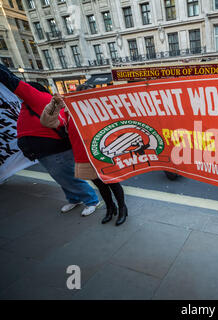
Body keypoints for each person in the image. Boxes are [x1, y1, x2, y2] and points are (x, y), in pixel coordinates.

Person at [0, 64, 99, 215]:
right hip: (45, 150)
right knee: (61, 177)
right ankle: (74, 198)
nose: (20, 95)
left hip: (55, 148)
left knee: (67, 176)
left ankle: (91, 200)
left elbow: (11, 80)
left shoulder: (37, 97)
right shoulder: (34, 102)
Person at [40, 85, 128, 226]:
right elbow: (47, 122)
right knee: (101, 185)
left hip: (103, 154)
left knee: (112, 182)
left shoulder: (103, 110)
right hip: (84, 156)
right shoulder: (68, 113)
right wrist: (55, 104)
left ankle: (123, 208)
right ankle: (111, 208)